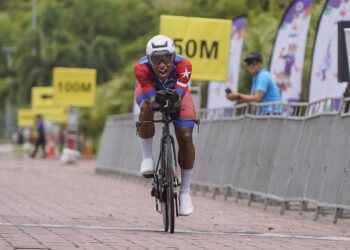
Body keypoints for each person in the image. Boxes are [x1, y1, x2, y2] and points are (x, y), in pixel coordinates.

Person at [134, 35, 196, 216]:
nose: (162, 65)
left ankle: (185, 193)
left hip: (177, 92)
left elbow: (178, 97)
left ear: (173, 57)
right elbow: (152, 98)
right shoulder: (141, 68)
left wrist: (173, 102)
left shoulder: (184, 65)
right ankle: (147, 158)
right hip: (151, 91)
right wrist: (156, 102)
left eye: (167, 59)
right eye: (156, 60)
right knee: (147, 106)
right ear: (148, 59)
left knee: (185, 135)